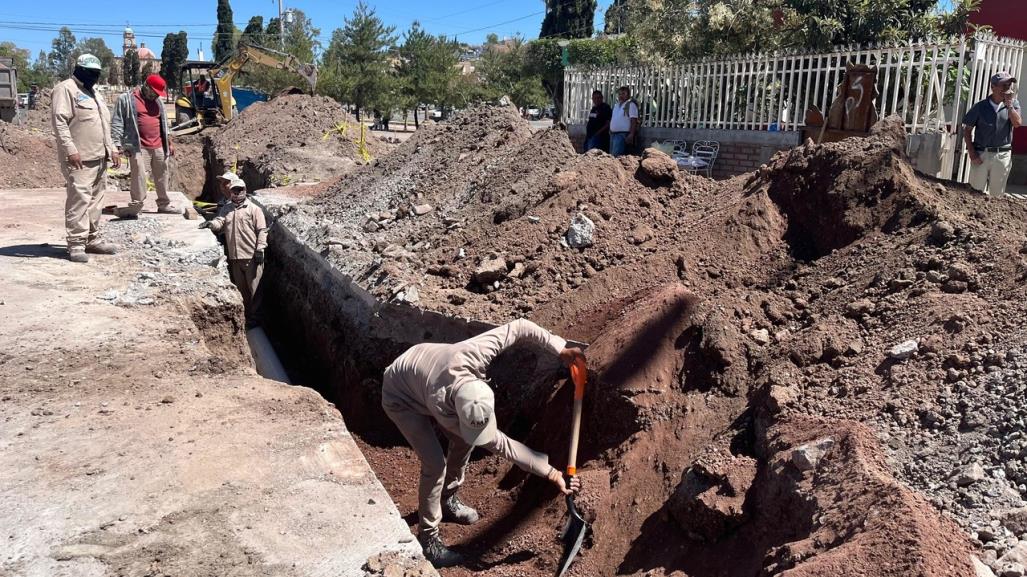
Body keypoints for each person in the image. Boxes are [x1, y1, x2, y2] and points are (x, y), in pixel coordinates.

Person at [381, 319, 585, 568]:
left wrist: (560, 347)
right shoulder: (441, 403)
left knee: (464, 441)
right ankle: (429, 540)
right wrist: (552, 473)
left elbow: (520, 327)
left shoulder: (476, 352)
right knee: (435, 464)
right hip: (399, 394)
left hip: (422, 366)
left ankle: (448, 499)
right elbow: (503, 446)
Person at [51, 53, 121, 263]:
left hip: (99, 156)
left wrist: (112, 149)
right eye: (91, 73)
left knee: (96, 200)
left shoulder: (94, 93)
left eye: (97, 74)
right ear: (80, 70)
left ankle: (91, 238)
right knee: (79, 200)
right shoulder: (65, 89)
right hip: (79, 158)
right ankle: (76, 244)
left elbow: (103, 123)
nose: (95, 77)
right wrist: (70, 149)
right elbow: (59, 122)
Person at [199, 177, 268, 328]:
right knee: (242, 292)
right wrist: (211, 224)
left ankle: (257, 322)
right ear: (230, 192)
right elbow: (220, 222)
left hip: (251, 258)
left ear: (245, 191)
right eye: (234, 190)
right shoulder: (226, 209)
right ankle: (247, 318)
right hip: (235, 258)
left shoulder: (254, 210)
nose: (237, 193)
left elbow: (262, 230)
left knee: (255, 292)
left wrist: (260, 249)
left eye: (240, 190)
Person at [111, 74, 178, 217]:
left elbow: (164, 123)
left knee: (162, 175)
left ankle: (164, 204)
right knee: (139, 175)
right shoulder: (127, 99)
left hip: (159, 144)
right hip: (138, 146)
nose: (156, 96)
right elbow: (117, 122)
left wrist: (170, 142)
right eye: (154, 92)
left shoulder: (158, 101)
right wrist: (116, 146)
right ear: (146, 87)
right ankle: (137, 205)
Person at [962, 71, 1022, 196]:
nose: (1007, 88)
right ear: (993, 87)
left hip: (1002, 155)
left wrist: (1009, 106)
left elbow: (1017, 124)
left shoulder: (1013, 104)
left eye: (1009, 85)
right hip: (981, 154)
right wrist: (972, 153)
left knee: (997, 194)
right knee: (975, 192)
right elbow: (967, 130)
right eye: (1003, 85)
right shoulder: (980, 106)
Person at [610, 85, 639, 157]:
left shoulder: (631, 104)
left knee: (617, 156)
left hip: (622, 134)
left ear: (628, 95)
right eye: (619, 94)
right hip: (613, 134)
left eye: (623, 94)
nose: (621, 96)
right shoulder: (616, 105)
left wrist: (631, 134)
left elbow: (633, 120)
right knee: (612, 156)